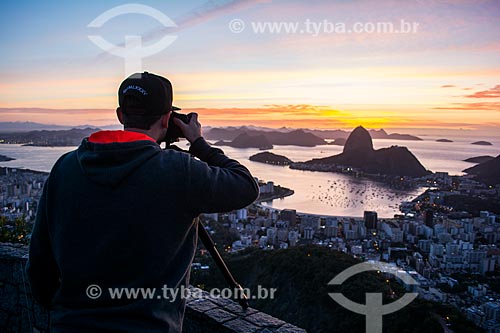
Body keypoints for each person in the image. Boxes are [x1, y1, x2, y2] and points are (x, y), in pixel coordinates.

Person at [26, 72, 260, 332]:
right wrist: (199, 143)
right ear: (166, 118)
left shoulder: (65, 167)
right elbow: (246, 186)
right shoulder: (177, 172)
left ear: (120, 115)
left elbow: (38, 263)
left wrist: (64, 310)